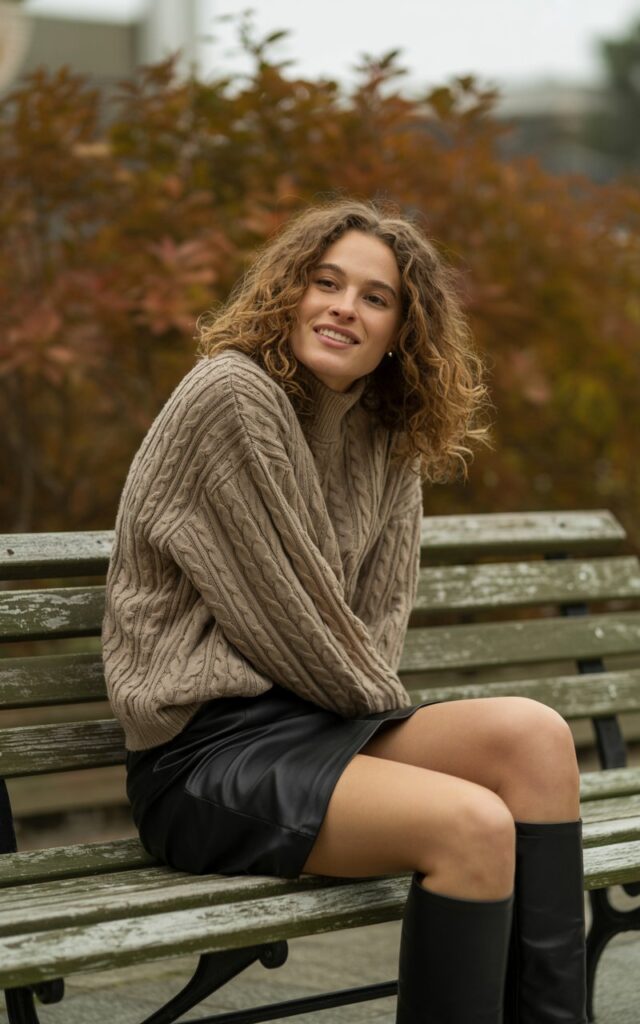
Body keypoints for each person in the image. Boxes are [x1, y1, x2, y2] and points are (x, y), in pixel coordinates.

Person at [102, 198, 587, 1023]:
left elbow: (377, 622)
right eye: (325, 283)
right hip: (205, 760)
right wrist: (395, 736)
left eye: (374, 297)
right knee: (471, 823)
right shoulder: (231, 394)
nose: (343, 308)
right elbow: (293, 620)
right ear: (289, 290)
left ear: (402, 328)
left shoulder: (389, 430)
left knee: (534, 737)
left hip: (321, 723)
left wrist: (378, 724)